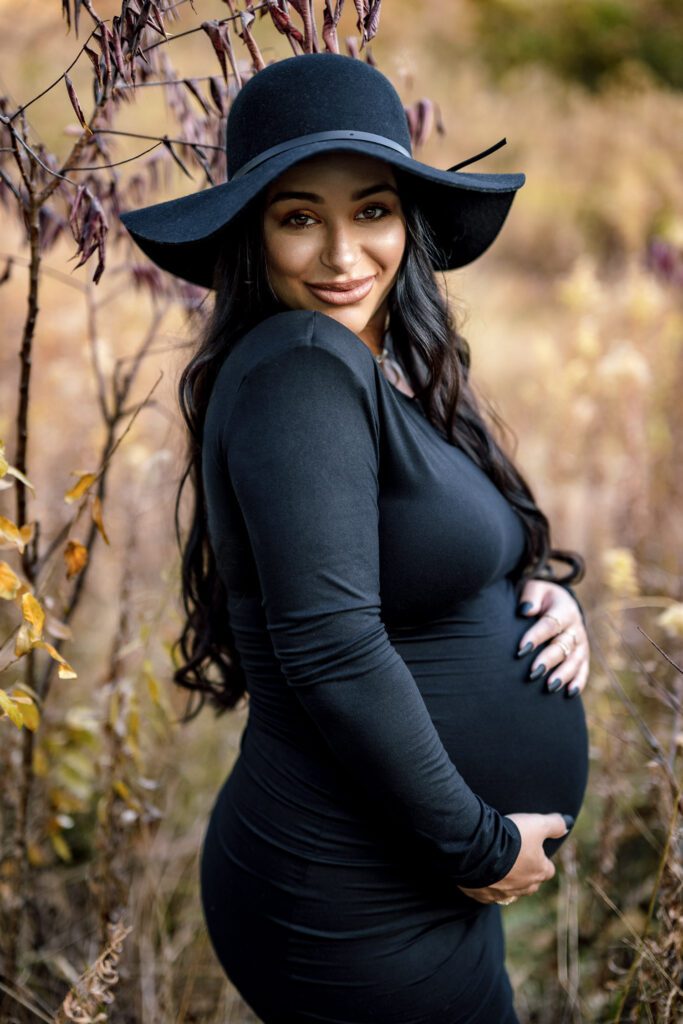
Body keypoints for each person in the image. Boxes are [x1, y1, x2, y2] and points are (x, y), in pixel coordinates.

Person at [121, 52, 590, 1024]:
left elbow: (423, 556)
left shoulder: (381, 366)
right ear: (254, 235)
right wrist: (475, 846)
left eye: (370, 210)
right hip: (349, 887)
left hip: (401, 866)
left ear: (406, 221)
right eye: (299, 218)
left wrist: (539, 594)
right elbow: (331, 647)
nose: (342, 255)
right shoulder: (301, 365)